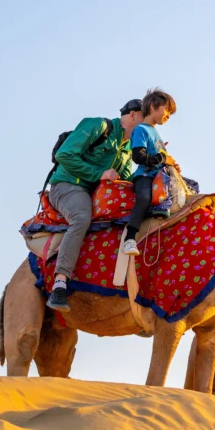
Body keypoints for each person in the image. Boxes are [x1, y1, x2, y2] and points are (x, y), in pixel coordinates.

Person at [46, 98, 144, 312]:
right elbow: (65, 154)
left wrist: (152, 163)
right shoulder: (98, 125)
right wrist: (99, 174)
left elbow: (124, 180)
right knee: (81, 217)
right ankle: (60, 283)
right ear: (134, 114)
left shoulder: (127, 149)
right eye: (147, 122)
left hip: (95, 195)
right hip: (68, 186)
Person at [121, 88, 178, 255]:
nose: (168, 115)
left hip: (160, 177)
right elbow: (139, 156)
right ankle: (130, 238)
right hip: (145, 175)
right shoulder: (141, 130)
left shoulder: (156, 133)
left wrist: (171, 164)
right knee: (144, 198)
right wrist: (162, 158)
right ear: (153, 106)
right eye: (167, 109)